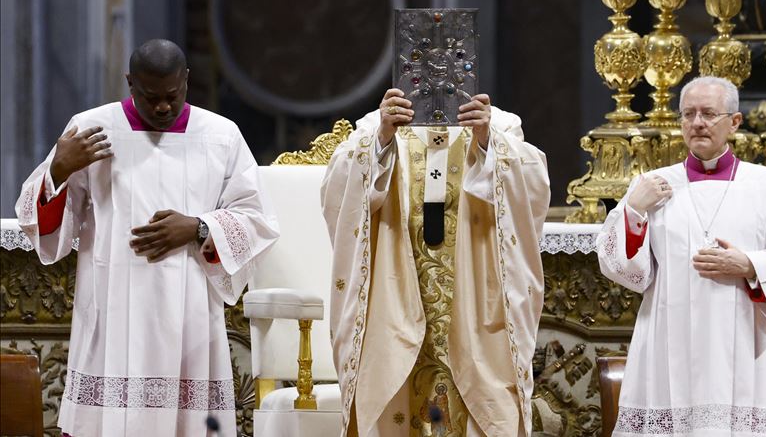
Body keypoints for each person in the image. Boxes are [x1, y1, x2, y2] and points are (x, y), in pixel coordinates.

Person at [15, 39, 279, 436]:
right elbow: (42, 219)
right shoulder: (91, 129)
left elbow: (257, 219)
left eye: (172, 96)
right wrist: (59, 170)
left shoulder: (221, 136)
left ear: (186, 81)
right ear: (130, 83)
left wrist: (198, 227)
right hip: (113, 303)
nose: (162, 107)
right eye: (150, 96)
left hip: (189, 308)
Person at [597, 76, 766, 436]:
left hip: (742, 342)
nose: (697, 123)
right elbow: (623, 269)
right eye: (688, 114)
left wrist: (750, 265)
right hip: (667, 340)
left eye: (708, 113)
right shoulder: (653, 185)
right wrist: (634, 214)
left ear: (734, 122)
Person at [321, 88, 550, 436]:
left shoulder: (498, 123)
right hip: (395, 300)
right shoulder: (377, 124)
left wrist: (488, 142)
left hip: (472, 308)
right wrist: (382, 139)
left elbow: (533, 188)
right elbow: (338, 194)